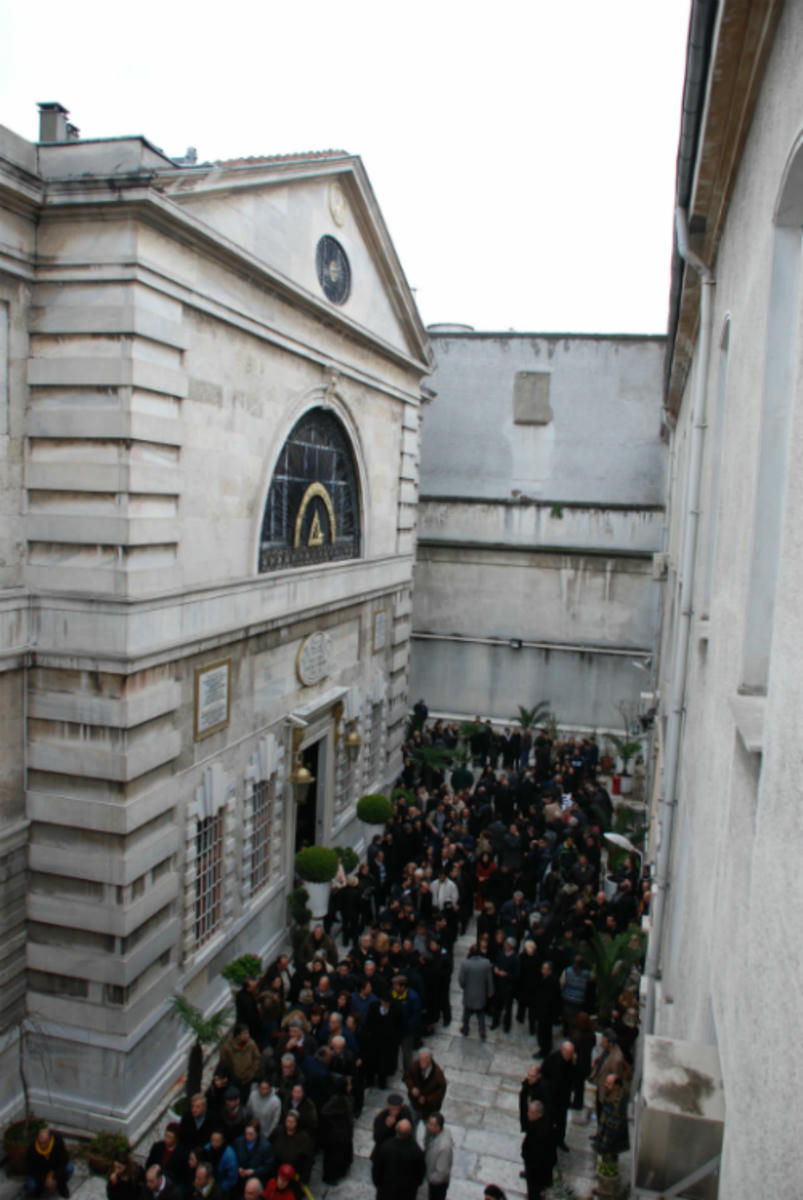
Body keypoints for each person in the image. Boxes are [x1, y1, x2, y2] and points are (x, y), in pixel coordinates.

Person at [371, 1119, 426, 1200]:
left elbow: (377, 1168)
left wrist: (378, 1183)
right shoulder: (416, 1151)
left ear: (396, 1129)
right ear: (410, 1132)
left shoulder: (386, 1147)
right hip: (407, 1193)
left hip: (386, 1191)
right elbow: (420, 1173)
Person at [542, 1040, 575, 1152]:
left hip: (563, 1099)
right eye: (568, 1053)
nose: (569, 1056)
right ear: (562, 1051)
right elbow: (544, 1075)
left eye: (571, 1054)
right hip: (551, 1099)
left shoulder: (571, 1062)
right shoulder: (552, 1059)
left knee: (561, 1122)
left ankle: (560, 1141)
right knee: (549, 1122)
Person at [402, 1048, 447, 1128]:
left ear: (429, 1060)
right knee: (411, 1126)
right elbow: (407, 1077)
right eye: (420, 1059)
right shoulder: (415, 1065)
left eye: (424, 1060)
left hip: (429, 1110)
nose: (421, 1063)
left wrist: (426, 1099)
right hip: (415, 1104)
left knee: (429, 1130)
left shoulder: (438, 1075)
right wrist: (412, 1088)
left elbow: (439, 1095)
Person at [25, 1125, 73, 1198]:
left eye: (45, 1143)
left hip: (55, 1169)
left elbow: (63, 1160)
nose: (42, 1146)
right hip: (41, 1173)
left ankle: (61, 1186)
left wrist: (55, 1177)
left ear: (50, 1139)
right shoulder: (32, 1149)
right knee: (31, 1185)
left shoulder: (57, 1141)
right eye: (40, 1143)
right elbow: (31, 1169)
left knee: (69, 1168)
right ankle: (39, 1190)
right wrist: (44, 1180)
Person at [520, 1101, 556, 1200]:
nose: (528, 1114)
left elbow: (538, 1154)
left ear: (539, 1114)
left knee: (535, 1192)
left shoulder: (541, 1132)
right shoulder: (538, 1123)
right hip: (537, 1167)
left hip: (537, 1169)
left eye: (531, 1113)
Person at [458, 945, 494, 1040]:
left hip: (469, 993)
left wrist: (464, 986)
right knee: (481, 1014)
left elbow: (461, 980)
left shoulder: (465, 964)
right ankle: (482, 1030)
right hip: (481, 994)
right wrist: (490, 991)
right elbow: (489, 979)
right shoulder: (486, 963)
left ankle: (465, 1029)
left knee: (467, 1013)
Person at [423, 1113, 453, 1200]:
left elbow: (441, 1173)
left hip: (438, 1185)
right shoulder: (432, 1134)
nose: (428, 1126)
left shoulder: (444, 1147)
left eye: (431, 1125)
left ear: (438, 1127)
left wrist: (430, 1178)